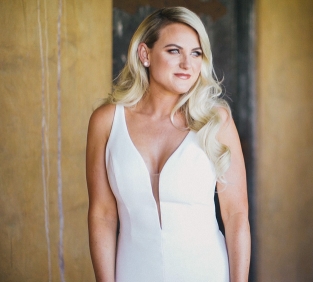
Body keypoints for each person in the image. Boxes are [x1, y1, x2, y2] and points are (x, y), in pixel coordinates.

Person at [86, 7, 250, 282]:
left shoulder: (216, 122)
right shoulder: (106, 122)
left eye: (196, 53)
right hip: (132, 273)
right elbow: (102, 214)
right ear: (145, 54)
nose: (187, 64)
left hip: (207, 271)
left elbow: (235, 214)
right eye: (174, 51)